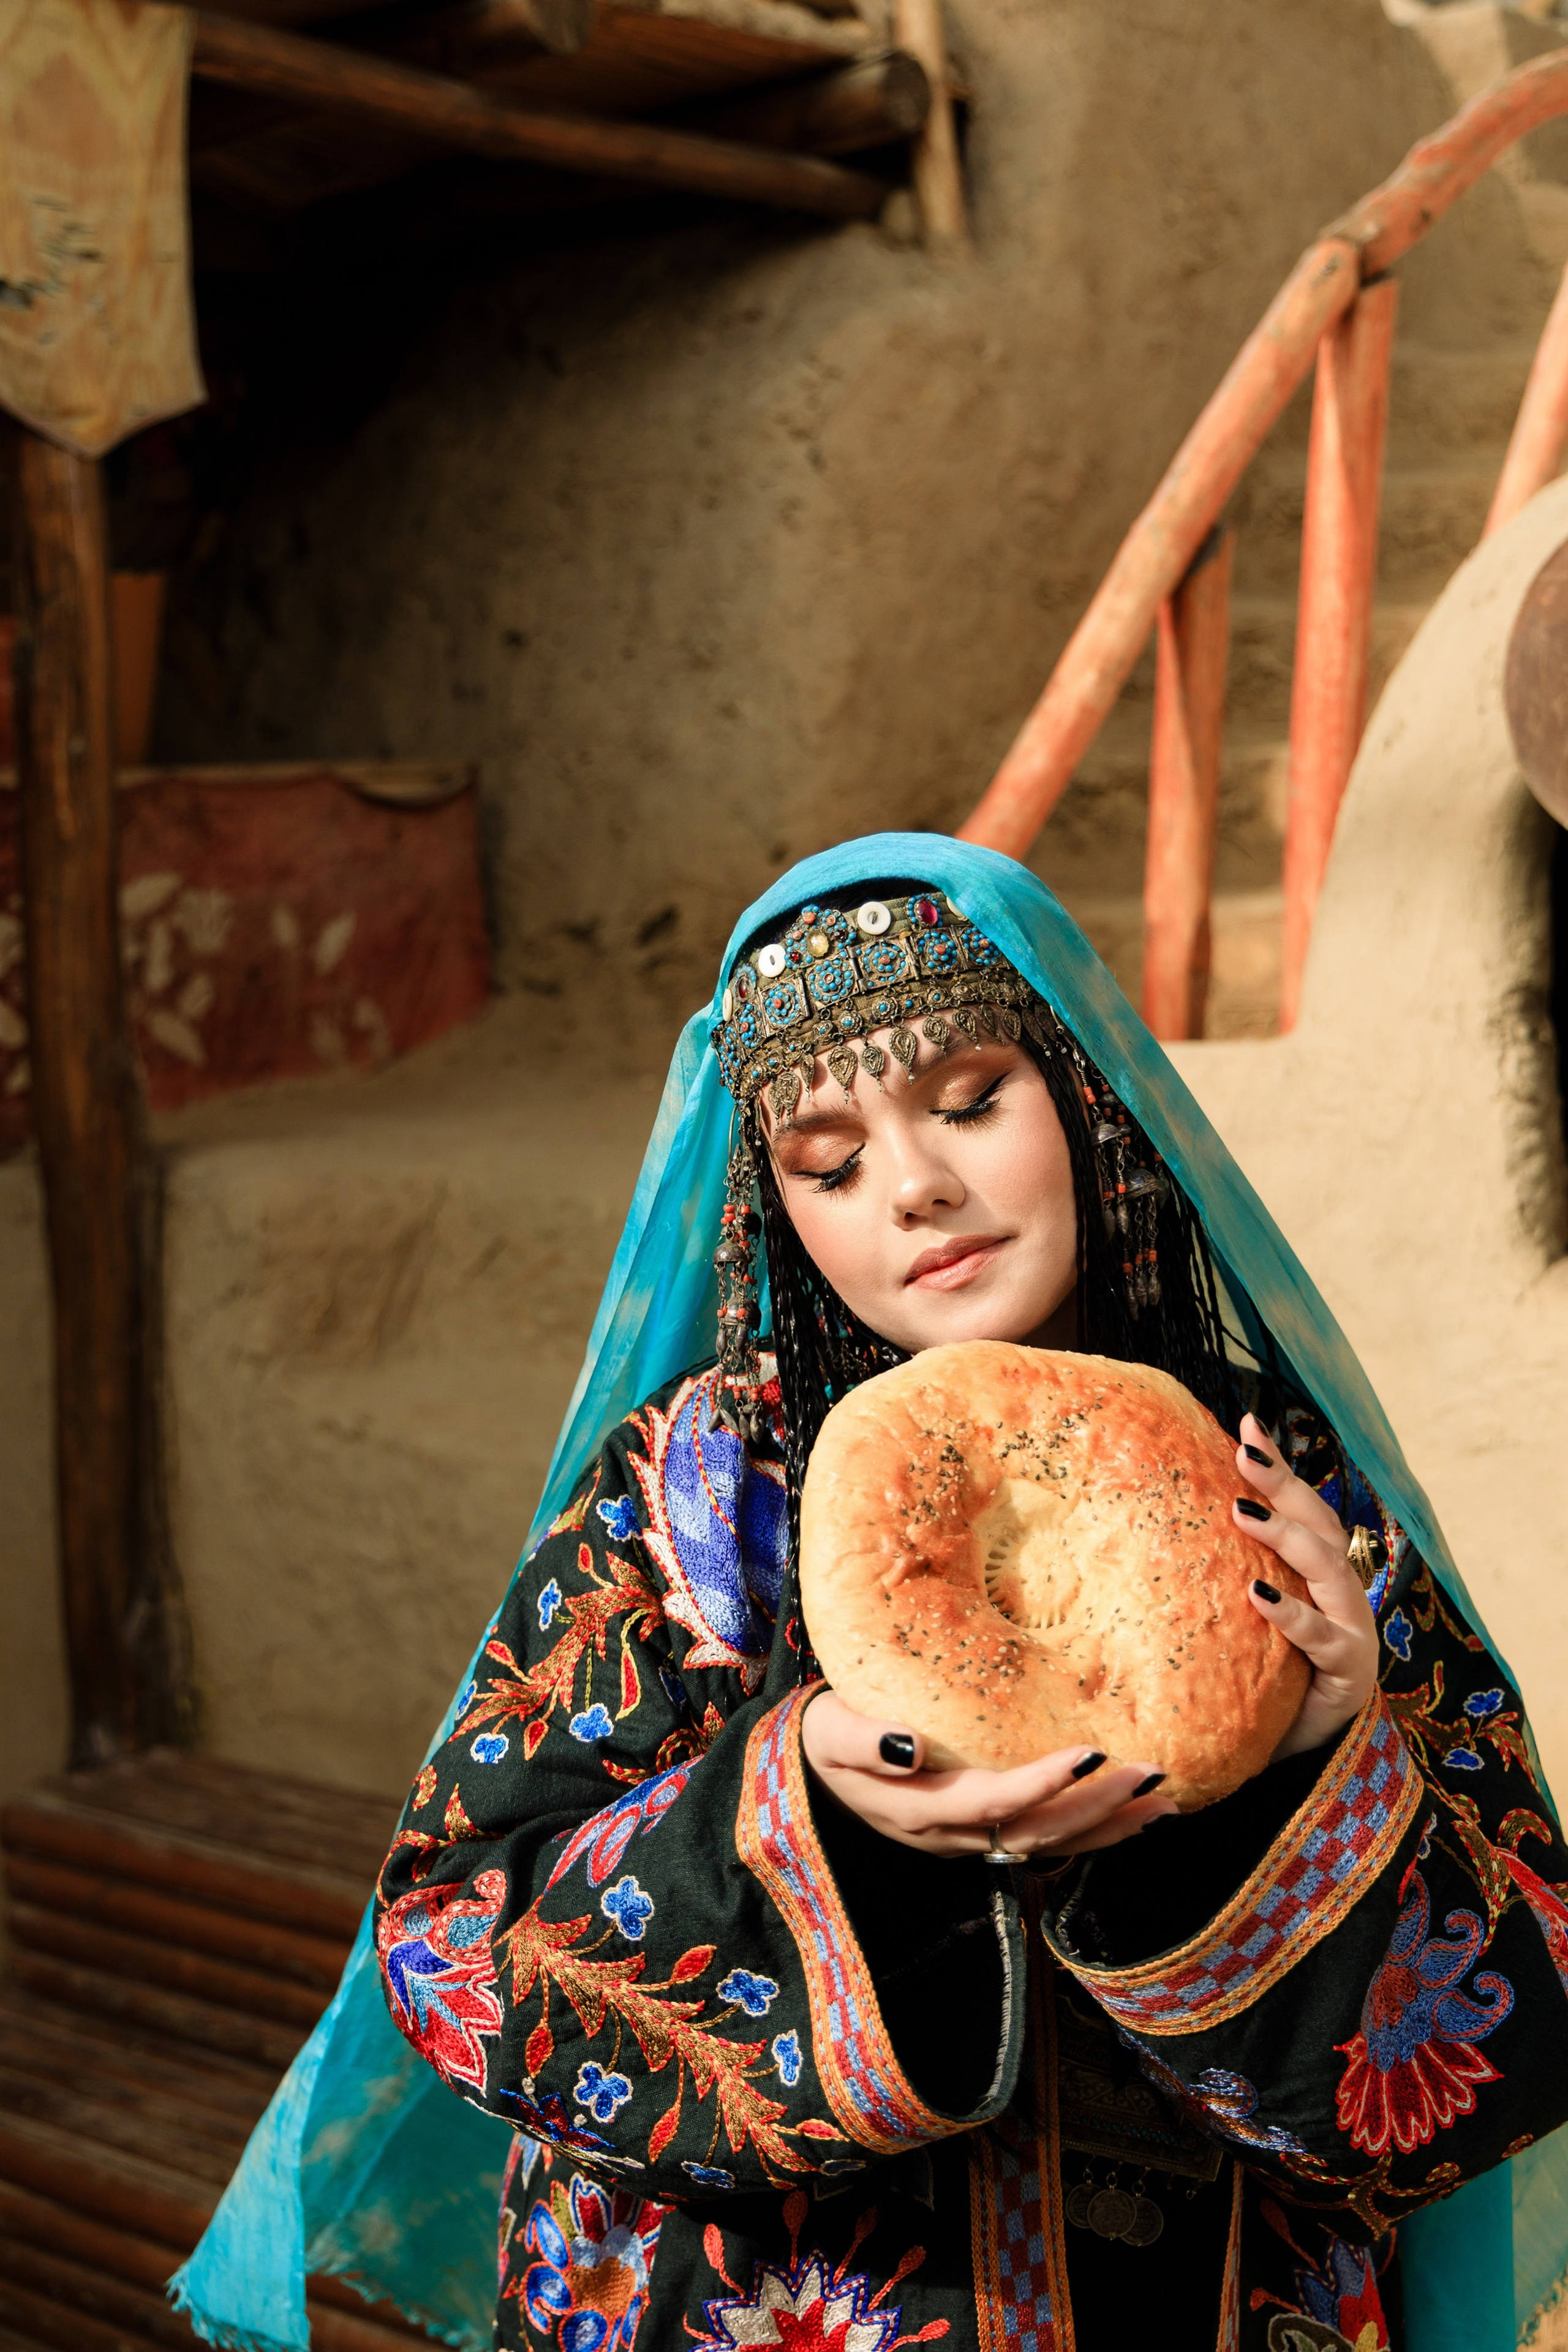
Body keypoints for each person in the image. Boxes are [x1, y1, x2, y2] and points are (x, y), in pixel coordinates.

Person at [172, 838, 1568, 2352]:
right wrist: (804, 1819)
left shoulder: (1278, 1492)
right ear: (775, 1209)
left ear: (1086, 1094)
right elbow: (450, 1940)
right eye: (828, 1163)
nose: (916, 1188)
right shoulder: (696, 1504)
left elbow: (1513, 2023)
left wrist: (1319, 1758)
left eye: (971, 1100)